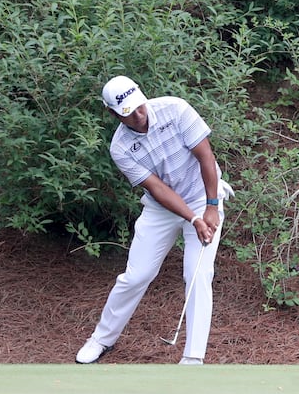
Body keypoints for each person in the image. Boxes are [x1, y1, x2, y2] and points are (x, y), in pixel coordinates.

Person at [75, 75, 232, 366]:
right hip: (162, 209)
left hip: (203, 195)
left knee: (198, 275)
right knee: (136, 275)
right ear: (112, 114)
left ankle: (193, 357)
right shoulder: (120, 148)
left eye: (139, 107)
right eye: (128, 114)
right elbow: (157, 189)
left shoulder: (176, 109)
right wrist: (192, 218)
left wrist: (210, 207)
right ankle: (102, 339)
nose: (138, 116)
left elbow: (206, 157)